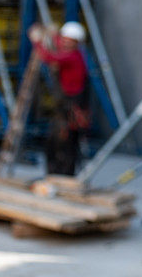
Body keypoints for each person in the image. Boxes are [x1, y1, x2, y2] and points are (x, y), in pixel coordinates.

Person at [28, 21, 89, 176]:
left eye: (69, 40)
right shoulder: (71, 51)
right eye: (64, 38)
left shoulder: (72, 56)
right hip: (66, 102)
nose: (64, 42)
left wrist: (37, 42)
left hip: (71, 104)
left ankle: (64, 175)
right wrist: (52, 35)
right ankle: (57, 173)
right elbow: (59, 44)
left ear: (76, 43)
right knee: (57, 141)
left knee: (65, 141)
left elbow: (48, 57)